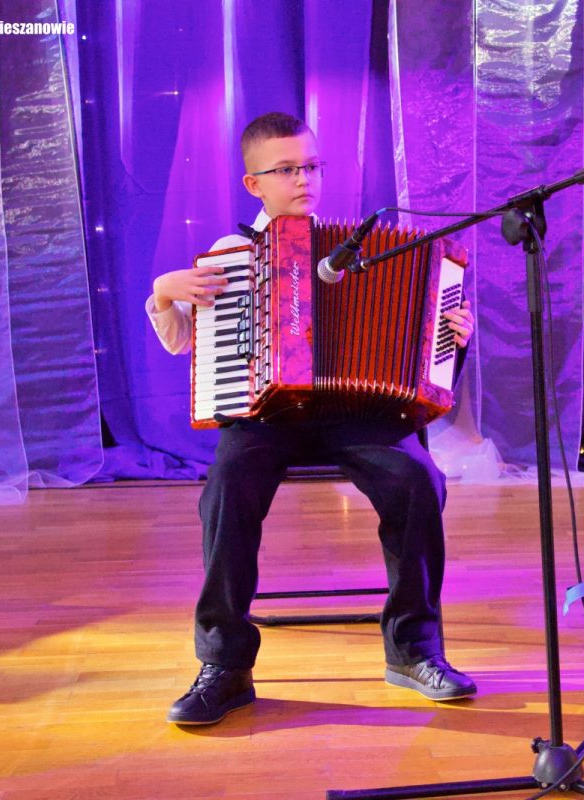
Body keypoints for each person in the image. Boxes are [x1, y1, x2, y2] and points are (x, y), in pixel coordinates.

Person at [147, 112, 476, 726]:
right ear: (254, 184)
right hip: (266, 416)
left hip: (356, 411)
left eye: (312, 166)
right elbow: (180, 341)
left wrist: (452, 336)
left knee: (418, 480)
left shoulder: (365, 252)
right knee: (225, 490)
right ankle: (226, 664)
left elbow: (417, 337)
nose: (304, 179)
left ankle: (414, 649)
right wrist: (163, 293)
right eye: (287, 169)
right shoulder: (232, 253)